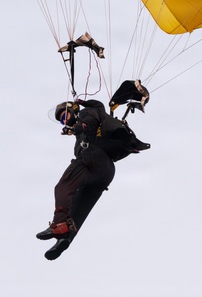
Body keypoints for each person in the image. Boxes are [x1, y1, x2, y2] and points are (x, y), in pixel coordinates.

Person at [36, 82, 150, 260]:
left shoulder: (86, 113)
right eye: (61, 120)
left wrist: (78, 127)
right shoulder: (80, 136)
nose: (64, 121)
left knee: (63, 187)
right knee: (79, 207)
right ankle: (64, 240)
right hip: (105, 173)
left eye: (65, 115)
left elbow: (88, 123)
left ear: (73, 110)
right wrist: (76, 130)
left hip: (93, 158)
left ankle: (58, 224)